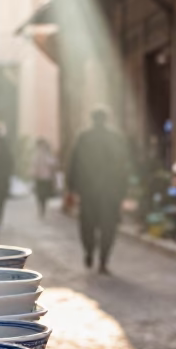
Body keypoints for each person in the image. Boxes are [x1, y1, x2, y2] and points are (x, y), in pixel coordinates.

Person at [67, 107, 128, 273]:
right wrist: (123, 191)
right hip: (110, 192)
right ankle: (103, 261)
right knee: (108, 227)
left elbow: (74, 163)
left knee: (88, 225)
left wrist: (71, 188)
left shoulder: (84, 137)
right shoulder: (116, 138)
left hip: (88, 191)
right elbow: (123, 168)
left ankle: (89, 251)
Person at [31, 138, 57, 218]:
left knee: (43, 194)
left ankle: (42, 208)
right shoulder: (38, 154)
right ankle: (41, 208)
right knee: (40, 194)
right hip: (41, 177)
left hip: (45, 178)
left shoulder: (45, 154)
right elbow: (34, 165)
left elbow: (52, 163)